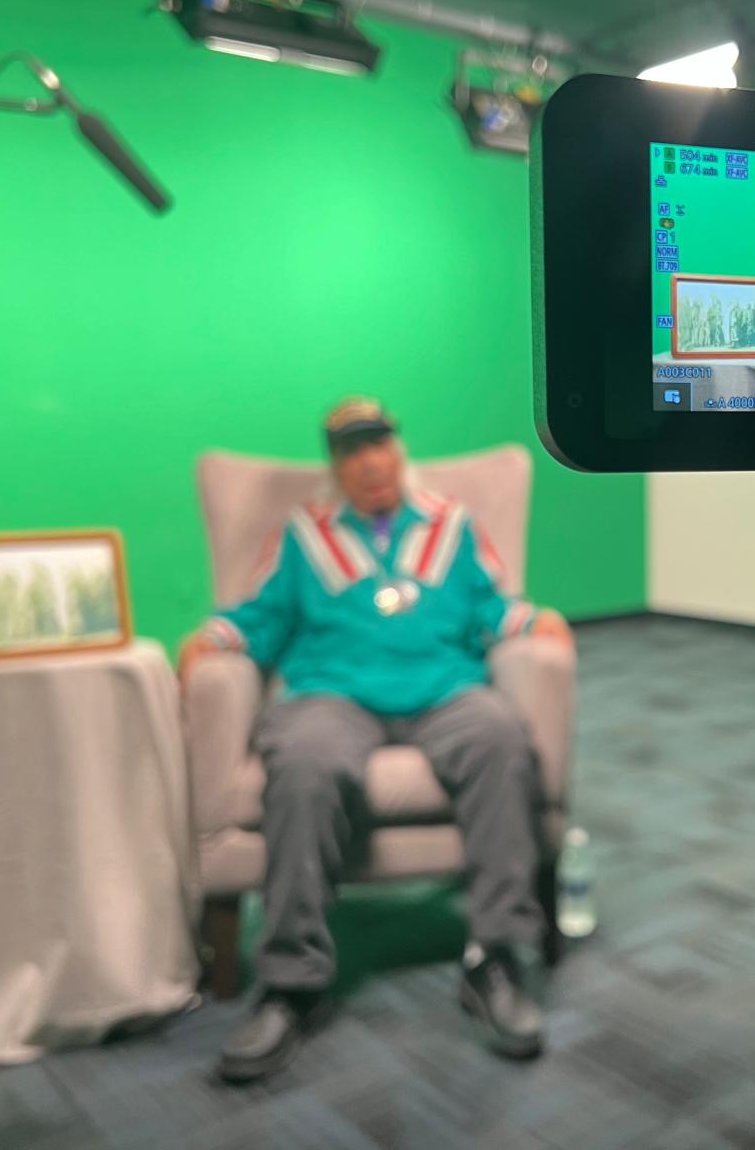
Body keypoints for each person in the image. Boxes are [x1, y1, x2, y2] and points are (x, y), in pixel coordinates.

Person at [179, 397, 573, 1082]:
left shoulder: (452, 523)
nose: (369, 462)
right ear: (335, 467)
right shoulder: (305, 534)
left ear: (398, 449)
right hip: (331, 696)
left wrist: (532, 621)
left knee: (500, 738)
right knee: (302, 763)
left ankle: (496, 958)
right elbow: (264, 615)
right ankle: (292, 981)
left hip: (444, 689)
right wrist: (215, 638)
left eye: (378, 445)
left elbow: (489, 603)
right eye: (351, 452)